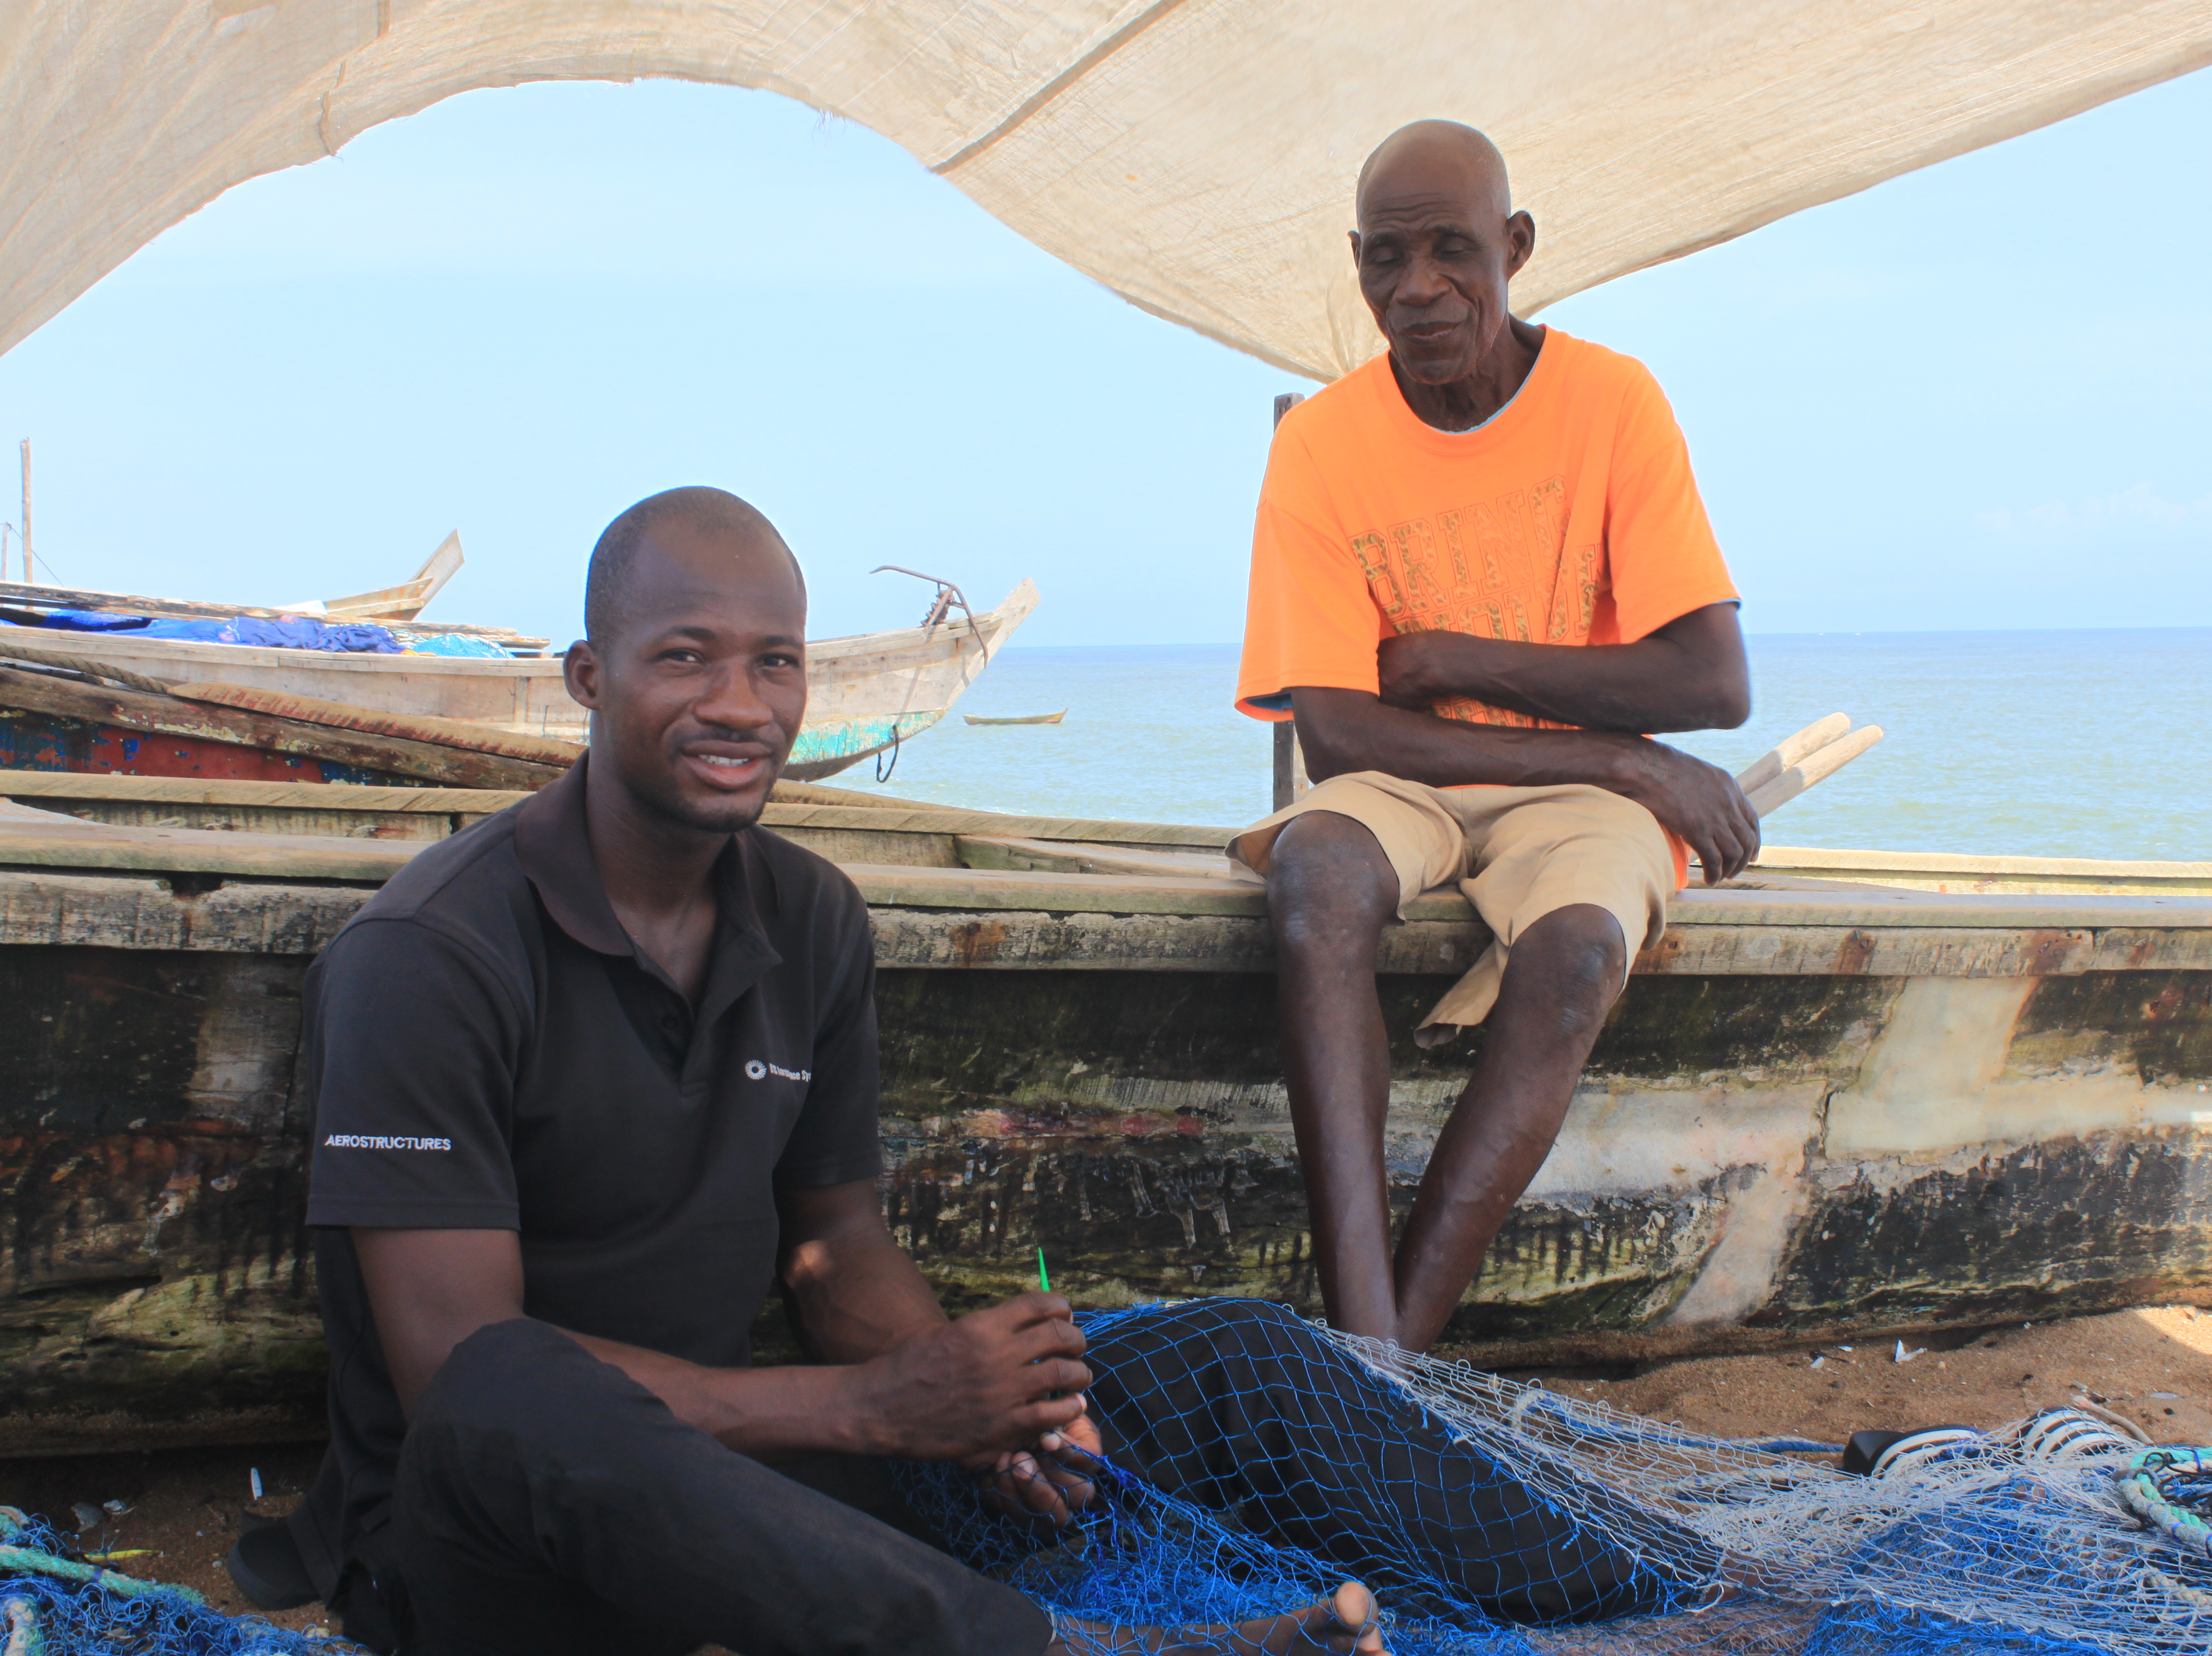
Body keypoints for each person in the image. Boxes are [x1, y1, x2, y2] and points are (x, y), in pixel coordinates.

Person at [233, 487, 1702, 1656]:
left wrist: (984, 1410)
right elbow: (453, 1380)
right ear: (586, 678)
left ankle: (1668, 1599)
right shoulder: (434, 953)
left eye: (776, 660)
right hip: (497, 1547)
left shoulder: (806, 919)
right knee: (514, 1393)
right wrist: (878, 1409)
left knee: (1235, 1355)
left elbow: (834, 1246)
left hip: (758, 1467)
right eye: (684, 656)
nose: (738, 703)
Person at [1229, 122, 1759, 1354]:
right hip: (1407, 771)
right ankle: (1374, 1350)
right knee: (1316, 879)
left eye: (1452, 251)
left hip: (1560, 802)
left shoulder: (1612, 402)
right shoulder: (1319, 444)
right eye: (1387, 260)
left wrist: (1458, 660)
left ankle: (1380, 1365)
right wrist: (1626, 756)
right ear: (1358, 269)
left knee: (1576, 956)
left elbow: (1713, 679)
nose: (1419, 289)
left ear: (1514, 249)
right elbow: (1339, 729)